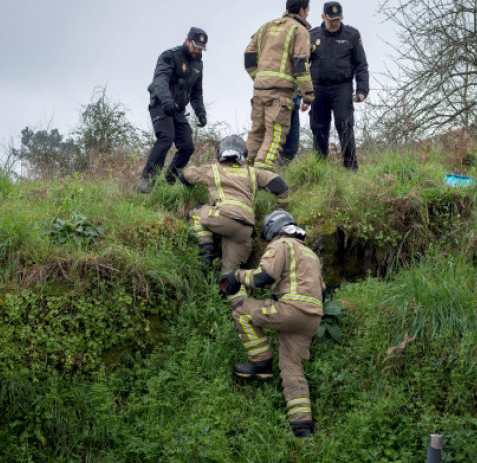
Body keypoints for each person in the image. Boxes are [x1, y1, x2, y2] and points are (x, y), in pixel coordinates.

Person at [218, 210, 325, 438]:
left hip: (291, 311)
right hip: (312, 318)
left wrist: (235, 276)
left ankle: (260, 364)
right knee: (291, 368)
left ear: (273, 229)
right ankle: (302, 427)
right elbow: (320, 293)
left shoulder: (281, 244)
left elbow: (263, 277)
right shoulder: (311, 255)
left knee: (242, 311)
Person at [179, 135, 289, 271]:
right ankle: (234, 289)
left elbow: (185, 176)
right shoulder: (253, 172)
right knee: (230, 280)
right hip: (245, 229)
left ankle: (206, 251)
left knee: (196, 213)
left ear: (220, 153)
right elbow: (279, 185)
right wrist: (281, 207)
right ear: (243, 154)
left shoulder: (213, 170)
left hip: (222, 218)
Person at [244, 0, 315, 171]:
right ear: (301, 10)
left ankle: (241, 176)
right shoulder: (300, 31)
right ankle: (262, 178)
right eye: (307, 10)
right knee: (274, 137)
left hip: (260, 91)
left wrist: (259, 79)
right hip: (280, 94)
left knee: (256, 134)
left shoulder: (265, 27)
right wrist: (308, 94)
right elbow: (300, 64)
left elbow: (248, 57)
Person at [137, 27, 209, 193]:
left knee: (187, 146)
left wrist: (201, 112)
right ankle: (146, 182)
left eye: (201, 48)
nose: (198, 50)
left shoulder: (198, 64)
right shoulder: (170, 55)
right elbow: (160, 80)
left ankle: (168, 184)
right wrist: (167, 101)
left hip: (177, 109)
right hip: (161, 104)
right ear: (187, 41)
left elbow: (197, 92)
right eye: (195, 46)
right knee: (166, 138)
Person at [309, 2, 369, 171]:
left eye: (338, 19)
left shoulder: (352, 35)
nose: (335, 23)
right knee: (319, 128)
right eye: (331, 20)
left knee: (345, 124)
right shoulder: (312, 36)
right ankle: (319, 169)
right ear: (323, 17)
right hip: (318, 88)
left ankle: (351, 168)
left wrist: (362, 90)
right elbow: (302, 66)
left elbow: (361, 65)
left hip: (342, 87)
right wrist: (303, 93)